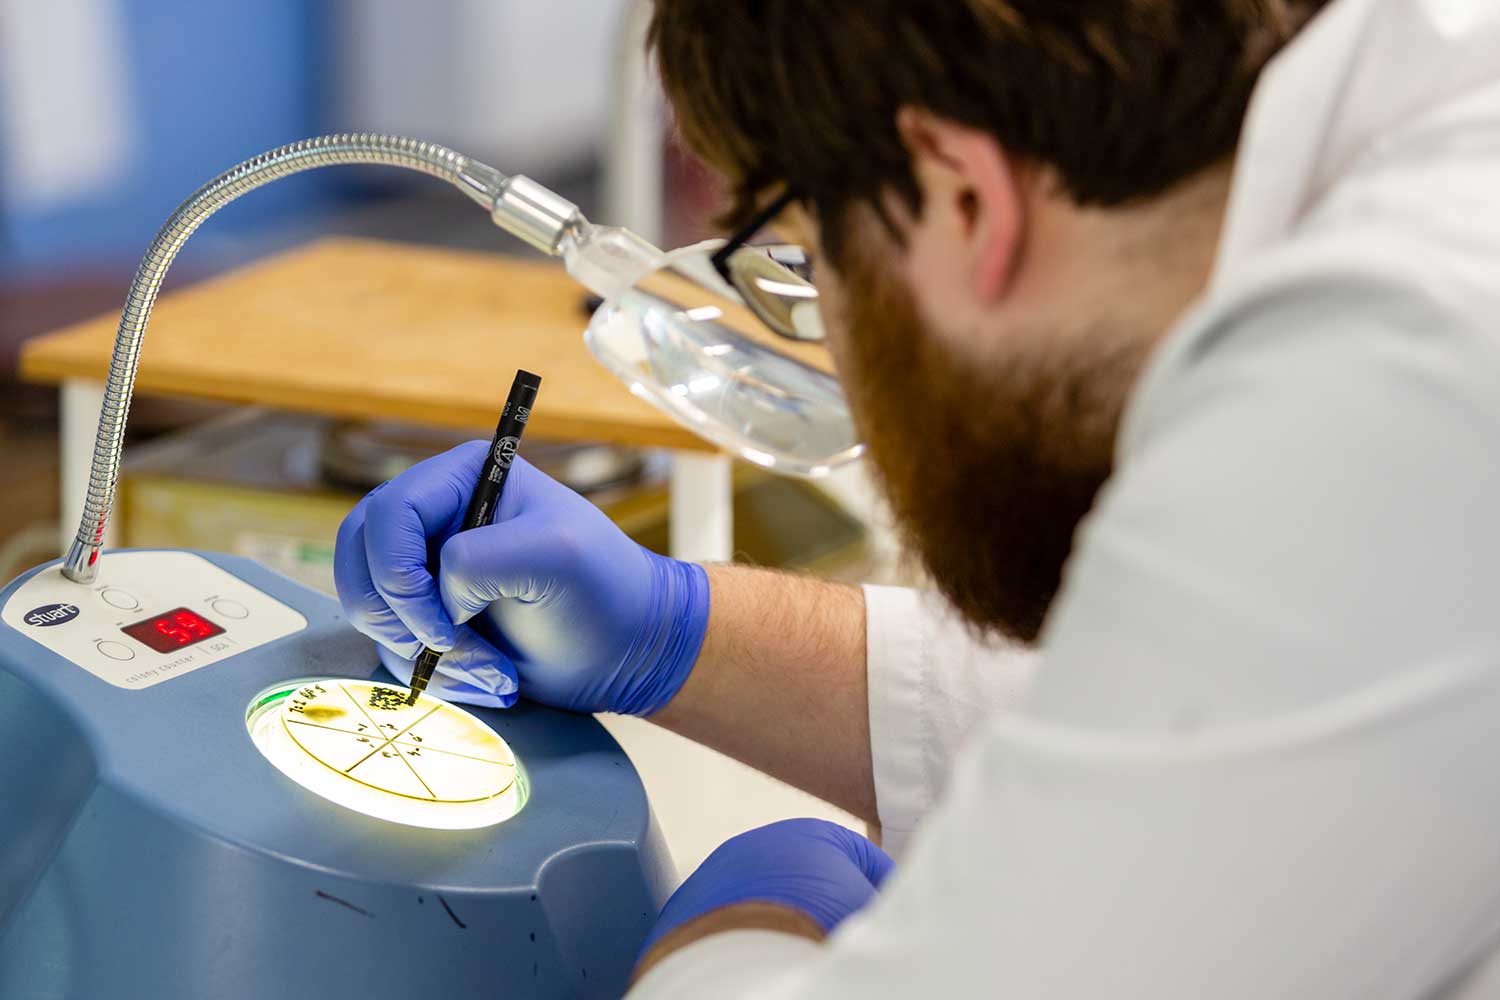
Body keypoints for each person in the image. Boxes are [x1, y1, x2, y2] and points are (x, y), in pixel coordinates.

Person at [333, 0, 1500, 994]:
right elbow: (1234, 709)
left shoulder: (1389, 379)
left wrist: (735, 934)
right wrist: (676, 633)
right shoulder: (1423, 154)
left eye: (799, 267)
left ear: (957, 198)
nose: (828, 333)